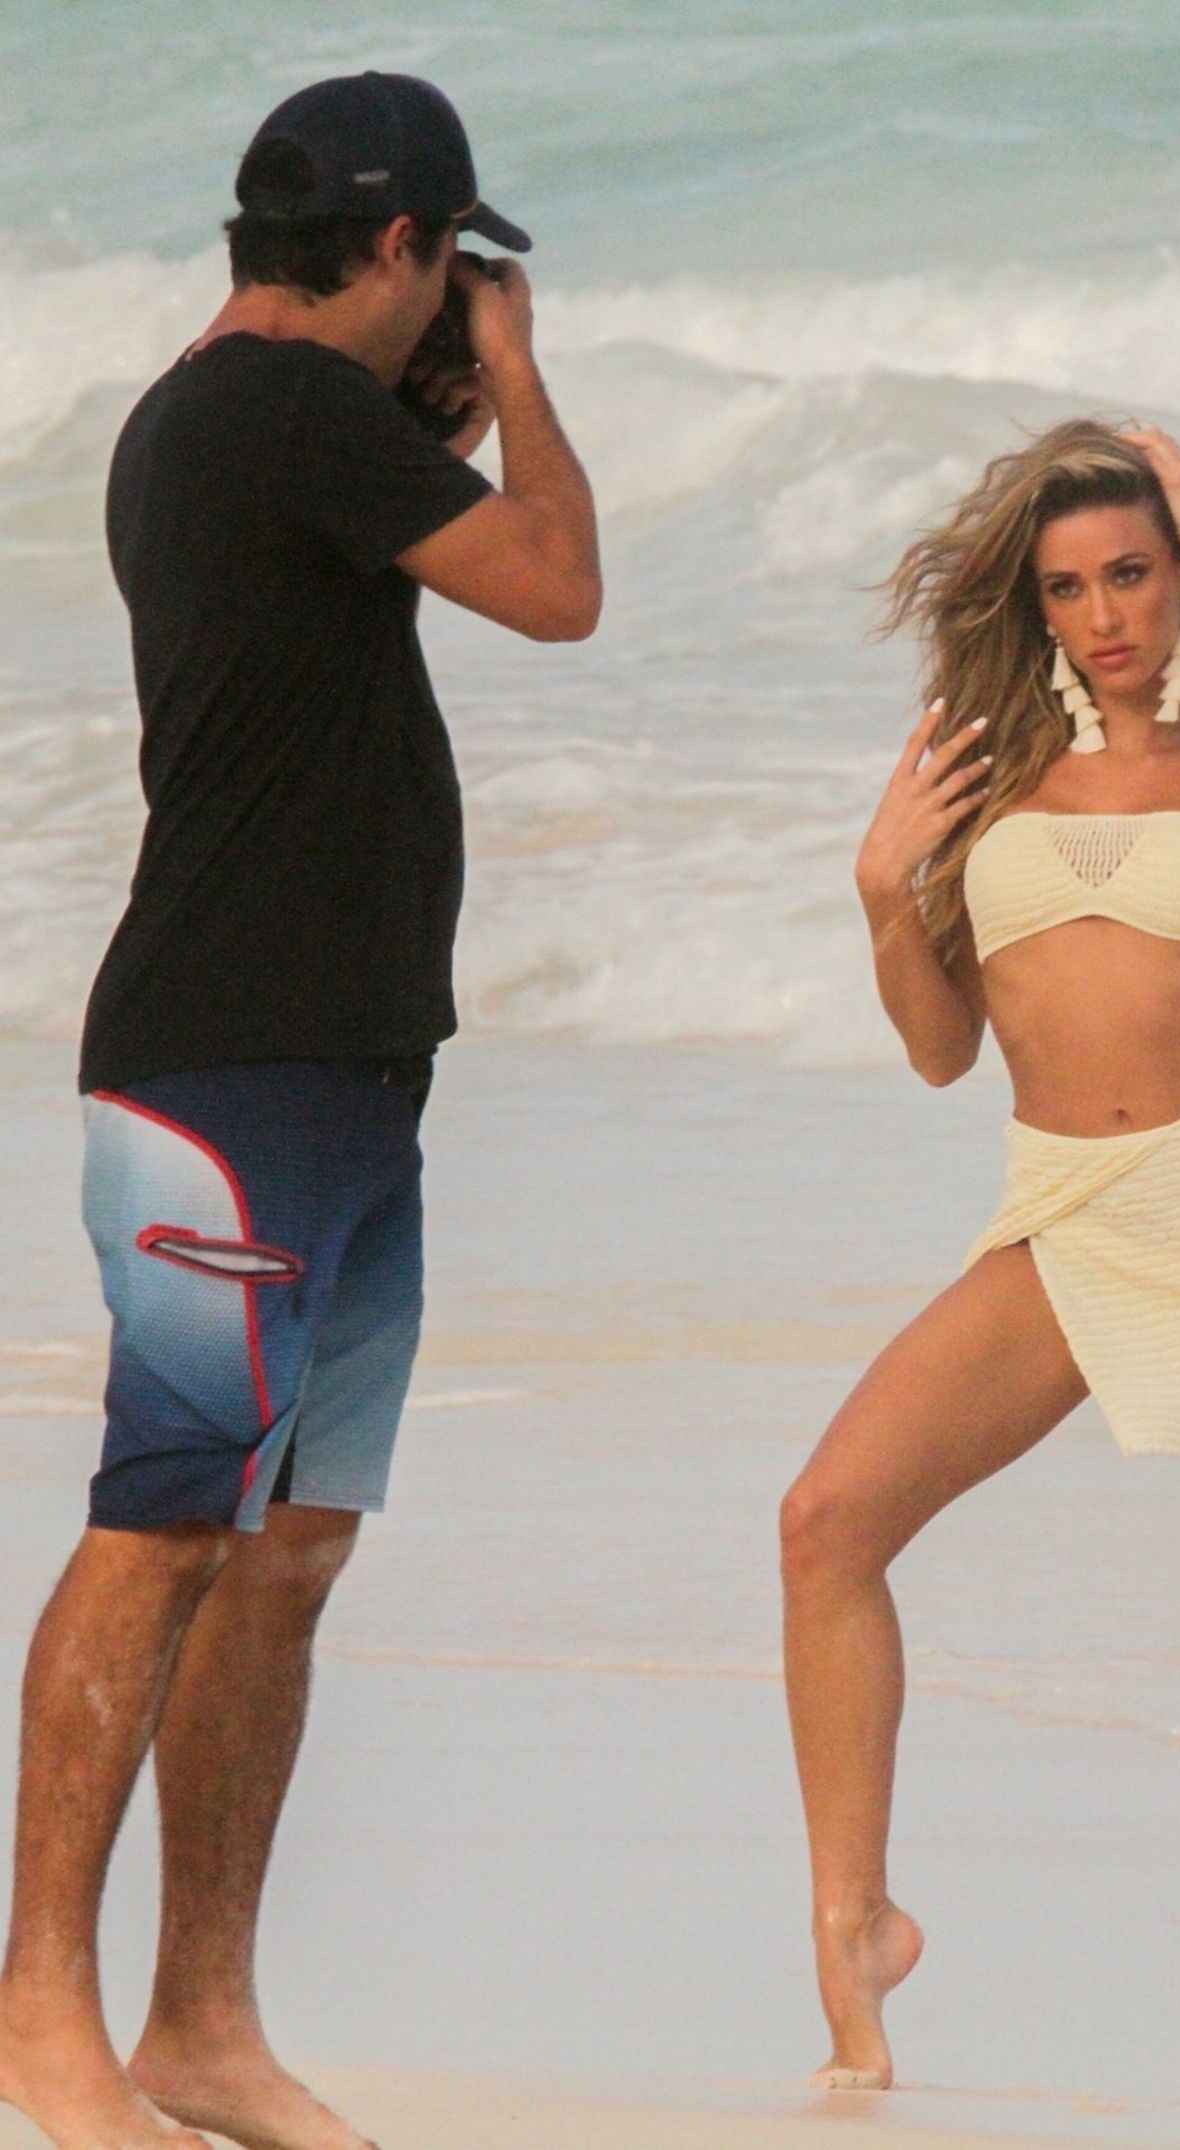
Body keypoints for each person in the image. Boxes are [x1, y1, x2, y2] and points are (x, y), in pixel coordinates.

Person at [0, 70, 599, 2150]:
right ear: (406, 246)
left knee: (285, 1550)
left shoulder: (240, 421)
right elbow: (555, 583)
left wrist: (442, 384)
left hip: (337, 1068)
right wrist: (523, 372)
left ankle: (203, 2025)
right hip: (233, 1068)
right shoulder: (277, 412)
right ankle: (42, 2020)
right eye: (453, 267)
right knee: (165, 1523)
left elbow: (405, 517)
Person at [779, 420, 1180, 2109]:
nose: (1103, 613)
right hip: (1063, 1211)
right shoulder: (994, 789)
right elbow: (937, 1053)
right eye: (1067, 588)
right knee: (826, 1520)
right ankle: (855, 1927)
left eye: (1131, 574)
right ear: (1035, 608)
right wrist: (882, 891)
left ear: (1179, 580)